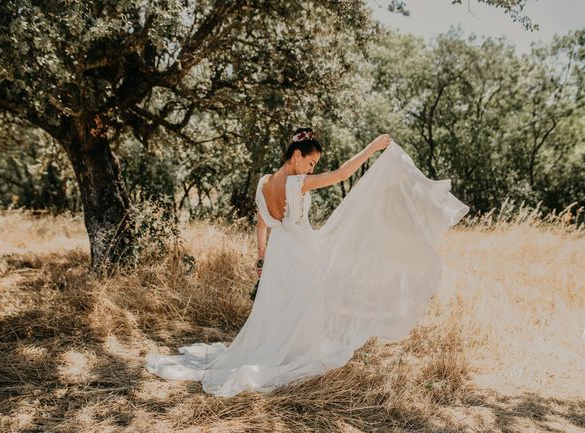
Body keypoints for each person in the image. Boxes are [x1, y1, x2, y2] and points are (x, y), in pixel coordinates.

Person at [146, 128, 470, 397]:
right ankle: (297, 352)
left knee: (288, 305)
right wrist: (373, 148)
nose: (311, 169)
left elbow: (261, 224)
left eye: (315, 165)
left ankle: (289, 347)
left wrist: (261, 257)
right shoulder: (296, 182)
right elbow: (343, 174)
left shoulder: (263, 183)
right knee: (315, 296)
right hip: (300, 248)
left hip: (279, 253)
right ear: (296, 155)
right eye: (310, 162)